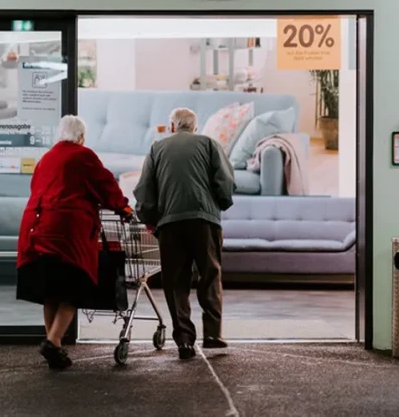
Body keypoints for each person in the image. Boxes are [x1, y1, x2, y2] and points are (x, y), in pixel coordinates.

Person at [16, 115, 133, 370]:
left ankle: (54, 347)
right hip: (65, 229)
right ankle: (53, 340)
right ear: (81, 137)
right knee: (74, 287)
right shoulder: (83, 156)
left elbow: (38, 187)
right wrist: (123, 207)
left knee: (50, 291)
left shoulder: (46, 158)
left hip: (36, 227)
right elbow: (106, 185)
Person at [133, 108, 235, 360]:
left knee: (176, 282)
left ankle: (184, 341)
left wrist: (149, 218)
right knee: (210, 275)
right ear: (195, 127)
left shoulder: (157, 148)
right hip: (204, 221)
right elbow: (225, 182)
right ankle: (212, 335)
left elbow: (145, 188)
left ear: (172, 126)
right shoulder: (209, 145)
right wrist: (219, 204)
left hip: (170, 224)